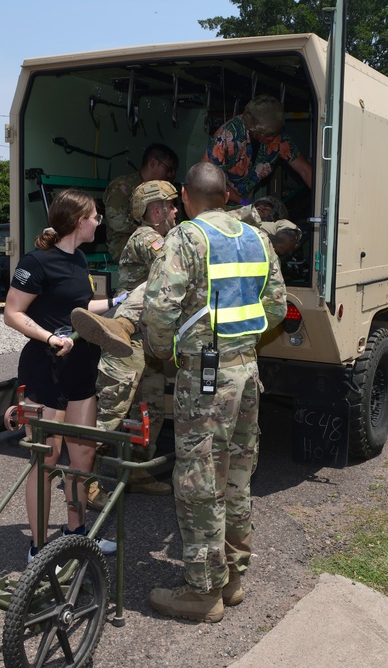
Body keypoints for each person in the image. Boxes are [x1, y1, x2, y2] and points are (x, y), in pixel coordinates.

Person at [142, 162, 286, 623]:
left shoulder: (187, 238)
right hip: (247, 373)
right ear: (225, 195)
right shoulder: (256, 237)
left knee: (199, 481)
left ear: (185, 196)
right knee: (237, 476)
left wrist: (166, 352)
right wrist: (243, 341)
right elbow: (278, 305)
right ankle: (234, 577)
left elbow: (160, 308)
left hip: (206, 378)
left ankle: (204, 592)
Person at [3, 189, 118, 561]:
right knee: (46, 459)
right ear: (78, 220)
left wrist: (120, 300)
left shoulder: (80, 258)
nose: (99, 222)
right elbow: (12, 313)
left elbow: (79, 307)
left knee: (82, 458)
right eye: (95, 216)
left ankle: (77, 536)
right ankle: (37, 549)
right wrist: (50, 337)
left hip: (80, 366)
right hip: (45, 369)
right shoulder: (36, 262)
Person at [87, 180, 179, 500]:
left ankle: (138, 473)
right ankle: (86, 483)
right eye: (171, 205)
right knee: (110, 416)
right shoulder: (146, 238)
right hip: (126, 346)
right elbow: (175, 268)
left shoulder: (160, 235)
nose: (176, 211)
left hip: (147, 344)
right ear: (156, 211)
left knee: (149, 412)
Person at [203, 94, 312, 206]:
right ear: (252, 129)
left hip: (244, 203)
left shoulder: (278, 139)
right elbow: (209, 177)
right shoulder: (228, 136)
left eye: (274, 134)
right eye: (267, 135)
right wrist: (242, 202)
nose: (271, 138)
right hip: (216, 200)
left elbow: (304, 170)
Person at [103, 143, 179, 262]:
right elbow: (116, 221)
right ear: (153, 163)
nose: (171, 175)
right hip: (125, 245)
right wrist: (150, 227)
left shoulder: (162, 191)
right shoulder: (123, 186)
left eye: (174, 171)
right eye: (168, 169)